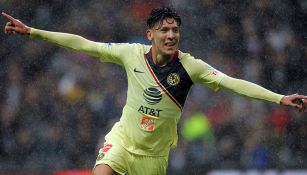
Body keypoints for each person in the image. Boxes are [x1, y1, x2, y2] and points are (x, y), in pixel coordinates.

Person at [2, 7, 307, 175]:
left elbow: (233, 84)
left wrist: (279, 98)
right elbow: (85, 44)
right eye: (164, 29)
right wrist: (33, 32)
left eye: (175, 30)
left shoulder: (191, 67)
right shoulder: (130, 53)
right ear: (151, 35)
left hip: (154, 158)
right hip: (123, 141)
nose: (171, 34)